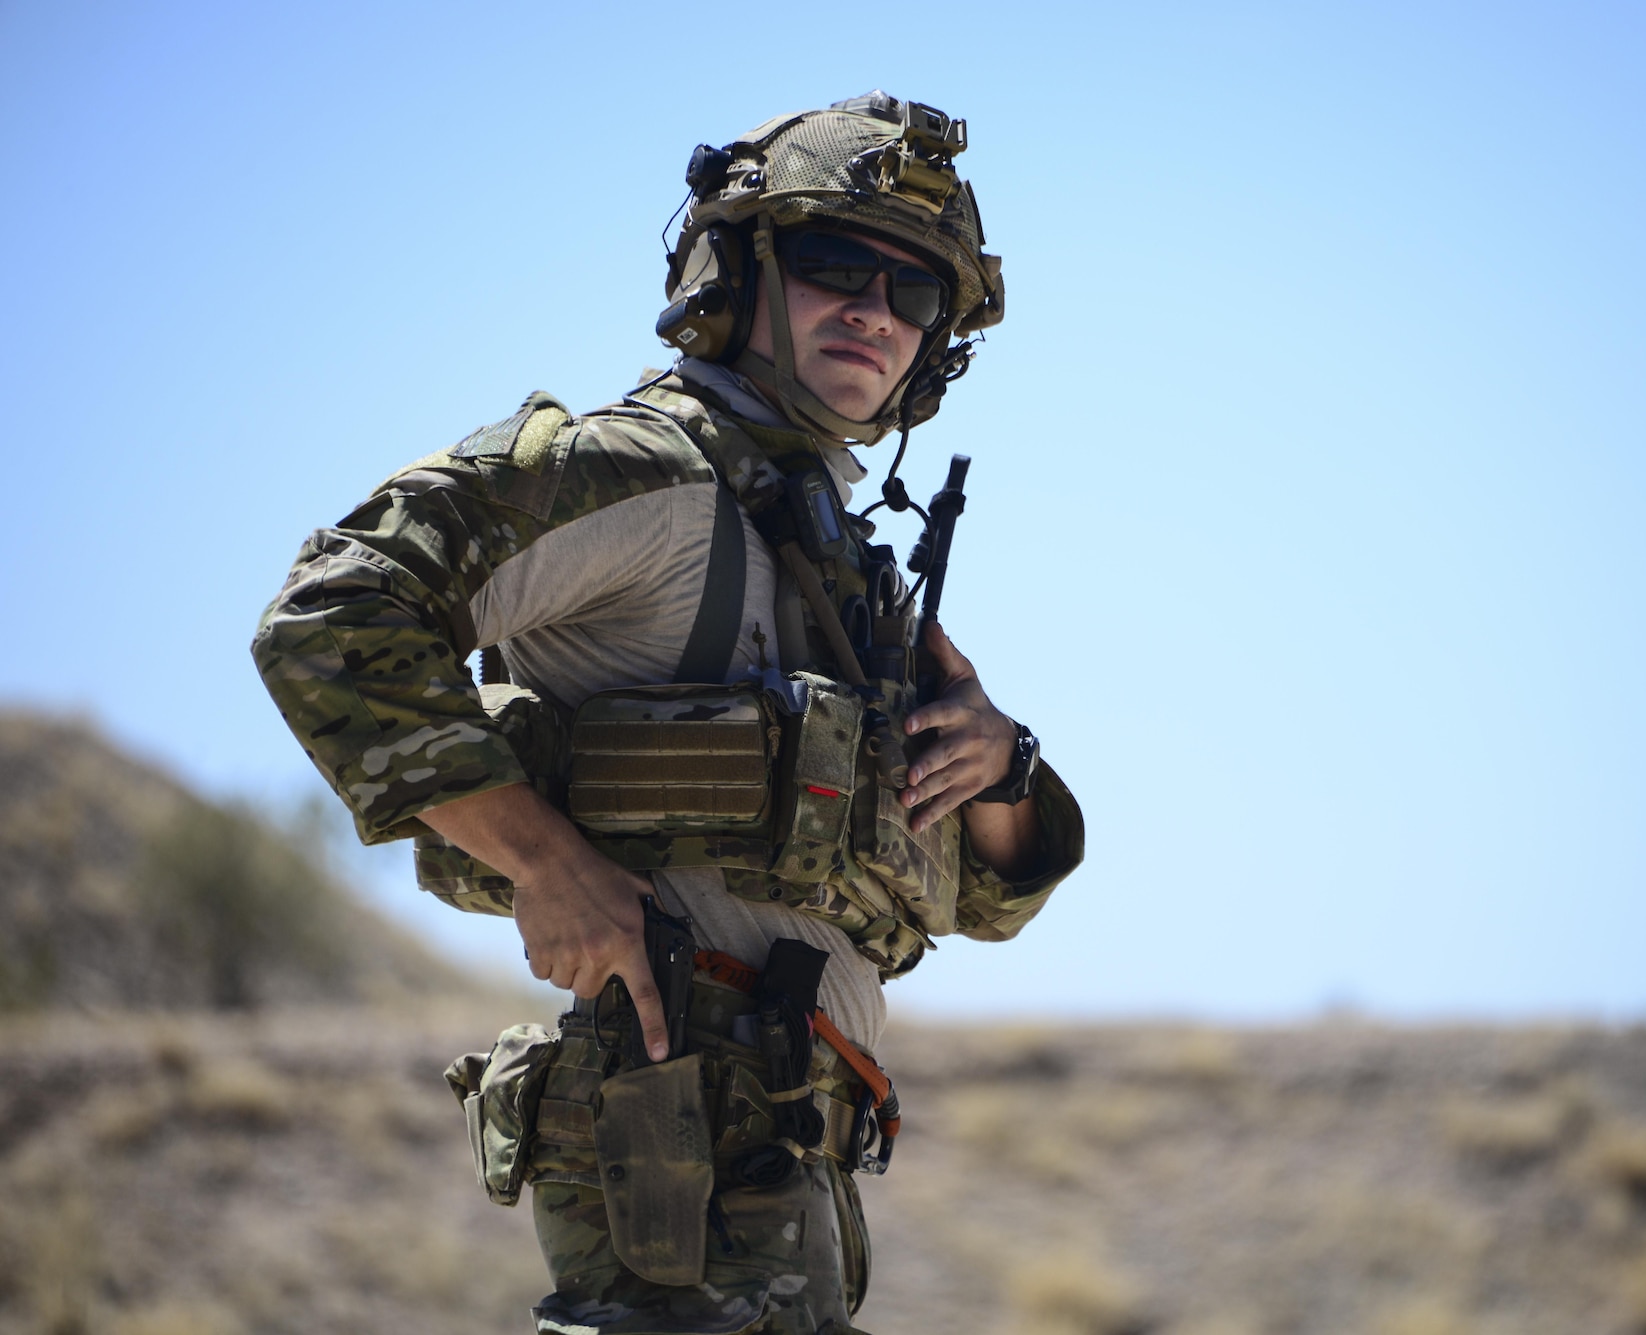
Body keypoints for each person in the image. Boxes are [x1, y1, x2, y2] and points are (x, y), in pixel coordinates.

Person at [251, 91, 1084, 1334]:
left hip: (790, 1141)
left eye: (913, 294)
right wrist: (545, 863)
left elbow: (982, 901)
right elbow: (333, 611)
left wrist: (1005, 763)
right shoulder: (648, 472)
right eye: (830, 263)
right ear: (733, 274)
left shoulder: (834, 568)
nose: (873, 309)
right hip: (675, 1119)